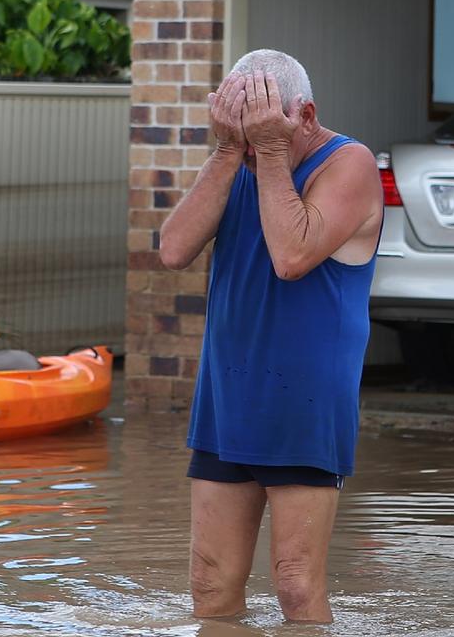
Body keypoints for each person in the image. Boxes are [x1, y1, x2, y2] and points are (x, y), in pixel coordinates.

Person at [157, 49, 384, 623]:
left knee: (295, 587)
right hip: (228, 393)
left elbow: (292, 255)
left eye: (265, 131)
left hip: (305, 398)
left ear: (304, 115)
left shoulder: (348, 162)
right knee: (209, 586)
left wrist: (274, 151)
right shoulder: (239, 160)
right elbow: (173, 249)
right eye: (244, 131)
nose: (255, 148)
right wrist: (229, 149)